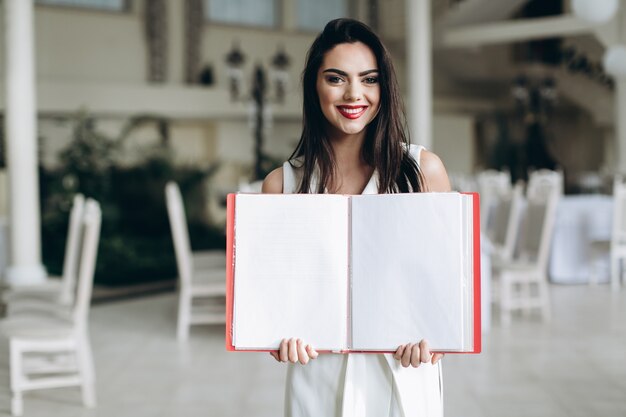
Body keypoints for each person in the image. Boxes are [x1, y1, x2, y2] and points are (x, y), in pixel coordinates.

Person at [262, 18, 451, 417]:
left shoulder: (422, 170)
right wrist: (278, 336)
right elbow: (274, 300)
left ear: (384, 88)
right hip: (318, 372)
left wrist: (434, 336)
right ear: (314, 86)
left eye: (369, 79)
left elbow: (446, 291)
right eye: (336, 78)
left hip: (403, 370)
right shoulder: (283, 184)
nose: (354, 94)